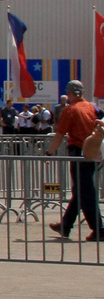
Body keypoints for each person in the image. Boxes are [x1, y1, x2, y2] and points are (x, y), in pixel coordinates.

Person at [50, 79, 101, 242]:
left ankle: (99, 229)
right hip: (93, 151)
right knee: (81, 189)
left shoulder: (69, 110)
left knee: (86, 191)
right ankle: (66, 224)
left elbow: (59, 134)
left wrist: (48, 153)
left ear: (69, 94)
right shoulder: (93, 107)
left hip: (78, 152)